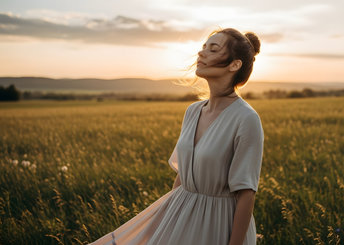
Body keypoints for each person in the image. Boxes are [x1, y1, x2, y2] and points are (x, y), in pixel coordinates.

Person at [89, 27, 264, 245]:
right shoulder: (193, 111)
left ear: (234, 64)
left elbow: (246, 193)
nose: (201, 53)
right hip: (181, 214)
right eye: (203, 47)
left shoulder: (246, 119)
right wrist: (166, 223)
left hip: (218, 224)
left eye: (213, 49)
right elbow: (182, 177)